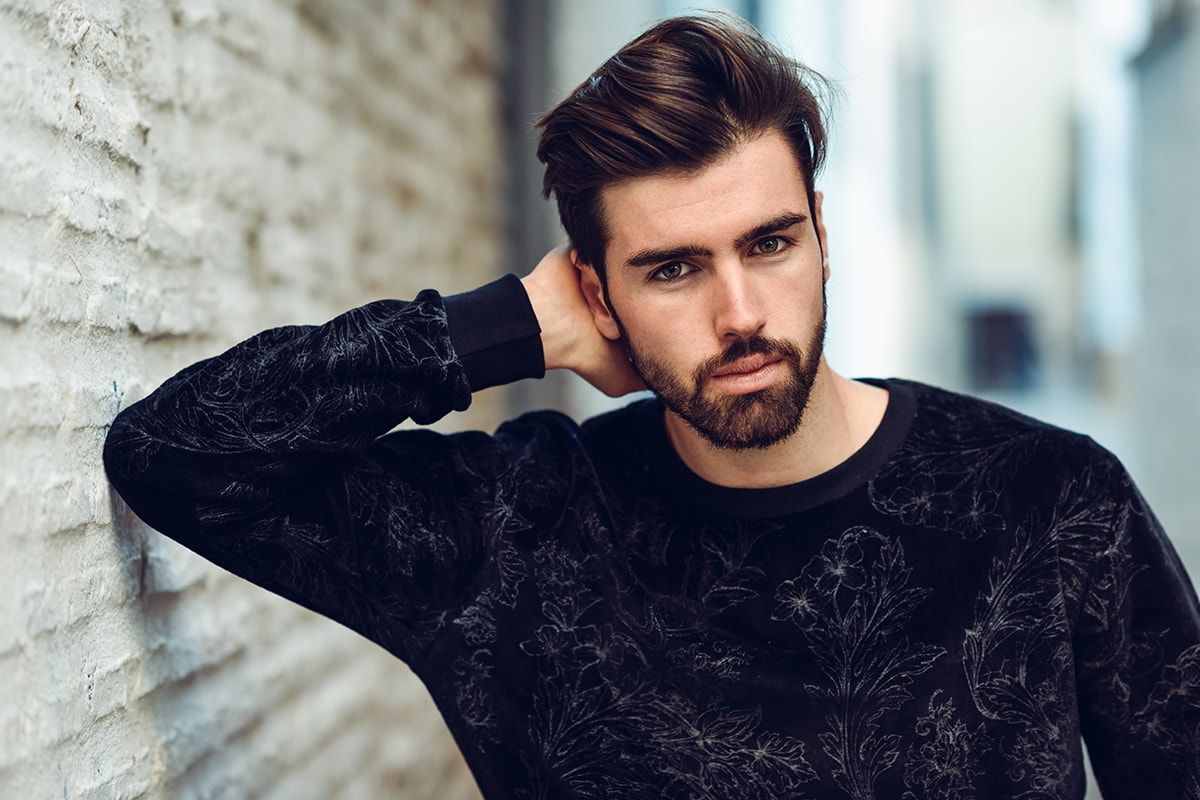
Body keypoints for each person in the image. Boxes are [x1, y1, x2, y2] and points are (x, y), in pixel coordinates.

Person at [102, 11, 1200, 800]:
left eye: (770, 244)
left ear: (820, 235)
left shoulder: (1051, 502)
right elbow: (177, 450)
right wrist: (503, 327)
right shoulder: (518, 531)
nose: (740, 313)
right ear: (597, 289)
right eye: (673, 268)